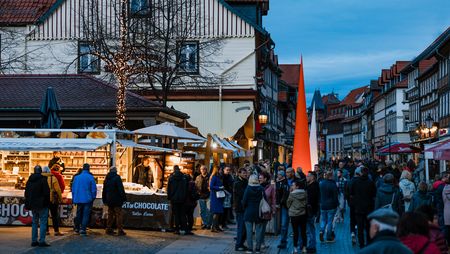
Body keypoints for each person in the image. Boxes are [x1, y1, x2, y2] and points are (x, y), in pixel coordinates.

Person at [350, 166, 376, 248]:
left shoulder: (355, 182)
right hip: (368, 208)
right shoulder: (371, 182)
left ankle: (361, 243)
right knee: (368, 226)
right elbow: (374, 194)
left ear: (360, 173)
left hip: (358, 208)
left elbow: (351, 193)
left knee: (360, 227)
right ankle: (369, 242)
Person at [25, 165, 51, 247]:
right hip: (42, 205)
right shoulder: (43, 179)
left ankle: (34, 240)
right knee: (43, 223)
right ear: (41, 171)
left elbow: (26, 193)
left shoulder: (29, 180)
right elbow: (47, 193)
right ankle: (42, 241)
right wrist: (47, 203)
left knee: (34, 223)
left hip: (33, 205)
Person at [72, 163, 97, 236]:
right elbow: (93, 189)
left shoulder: (77, 177)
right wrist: (93, 197)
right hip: (87, 199)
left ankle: (77, 228)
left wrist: (74, 198)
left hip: (78, 199)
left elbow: (73, 189)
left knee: (78, 213)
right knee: (85, 214)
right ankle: (83, 229)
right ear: (89, 169)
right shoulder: (90, 177)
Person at [242, 174, 265, 254]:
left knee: (249, 232)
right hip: (259, 213)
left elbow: (244, 201)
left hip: (249, 212)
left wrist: (244, 207)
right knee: (259, 232)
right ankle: (258, 249)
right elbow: (264, 199)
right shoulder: (261, 188)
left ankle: (250, 249)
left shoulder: (248, 189)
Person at [102, 166, 127, 236]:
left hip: (109, 199)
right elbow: (120, 189)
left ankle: (108, 229)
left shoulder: (106, 178)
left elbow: (104, 190)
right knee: (119, 214)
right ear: (115, 171)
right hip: (117, 199)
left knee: (110, 214)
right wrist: (124, 198)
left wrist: (104, 199)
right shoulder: (117, 178)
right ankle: (120, 230)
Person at [42, 166, 64, 236]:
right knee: (54, 215)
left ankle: (46, 231)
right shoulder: (53, 178)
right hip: (52, 199)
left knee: (45, 215)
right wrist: (60, 199)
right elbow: (58, 190)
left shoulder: (40, 178)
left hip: (43, 199)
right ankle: (56, 231)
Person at [167, 165, 188, 235]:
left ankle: (177, 229)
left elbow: (168, 189)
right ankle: (184, 229)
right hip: (182, 199)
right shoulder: (184, 177)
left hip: (174, 199)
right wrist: (185, 196)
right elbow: (186, 188)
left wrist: (169, 197)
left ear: (174, 169)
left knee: (176, 215)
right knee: (182, 214)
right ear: (179, 169)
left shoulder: (171, 178)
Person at [287, 180, 308, 253]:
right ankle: (304, 247)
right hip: (302, 214)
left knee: (295, 232)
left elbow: (288, 204)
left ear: (297, 186)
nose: (292, 186)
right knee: (303, 232)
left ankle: (295, 248)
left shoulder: (292, 194)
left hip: (294, 215)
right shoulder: (305, 193)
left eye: (293, 185)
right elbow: (306, 203)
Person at [319, 170, 339, 243]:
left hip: (323, 205)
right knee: (330, 221)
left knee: (323, 220)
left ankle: (321, 231)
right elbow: (335, 196)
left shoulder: (321, 183)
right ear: (331, 176)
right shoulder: (333, 185)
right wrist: (337, 204)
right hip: (331, 206)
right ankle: (328, 237)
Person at [259, 171, 276, 249]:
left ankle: (262, 242)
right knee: (259, 227)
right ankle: (260, 242)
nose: (259, 179)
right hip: (258, 210)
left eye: (261, 178)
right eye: (259, 178)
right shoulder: (257, 186)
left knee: (263, 227)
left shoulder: (271, 187)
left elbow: (273, 199)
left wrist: (273, 209)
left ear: (265, 179)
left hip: (266, 210)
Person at [234, 168, 249, 251]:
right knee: (241, 227)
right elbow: (242, 195)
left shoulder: (245, 181)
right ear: (239, 174)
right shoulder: (237, 183)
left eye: (245, 173)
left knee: (244, 228)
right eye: (243, 173)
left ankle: (241, 244)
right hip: (240, 208)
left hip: (244, 208)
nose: (245, 174)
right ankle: (238, 245)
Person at [306, 171, 320, 253]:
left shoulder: (313, 187)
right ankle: (312, 245)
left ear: (312, 177)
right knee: (311, 229)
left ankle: (312, 246)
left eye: (308, 176)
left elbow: (311, 200)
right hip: (312, 211)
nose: (306, 177)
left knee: (310, 229)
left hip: (310, 211)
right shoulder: (313, 185)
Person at [276, 170, 291, 249]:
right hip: (283, 206)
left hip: (287, 206)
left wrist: (280, 202)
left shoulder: (285, 183)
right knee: (284, 224)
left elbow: (284, 195)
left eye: (278, 174)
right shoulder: (278, 182)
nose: (277, 175)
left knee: (285, 224)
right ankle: (283, 241)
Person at [209, 166, 225, 232]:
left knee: (218, 212)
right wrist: (219, 187)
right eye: (221, 170)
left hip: (219, 197)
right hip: (215, 197)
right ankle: (213, 227)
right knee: (216, 212)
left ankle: (217, 226)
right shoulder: (214, 177)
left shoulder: (218, 177)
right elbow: (211, 186)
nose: (221, 171)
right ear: (217, 170)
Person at [442, 178, 450, 245]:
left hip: (447, 210)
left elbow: (443, 200)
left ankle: (448, 242)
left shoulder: (444, 189)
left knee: (447, 228)